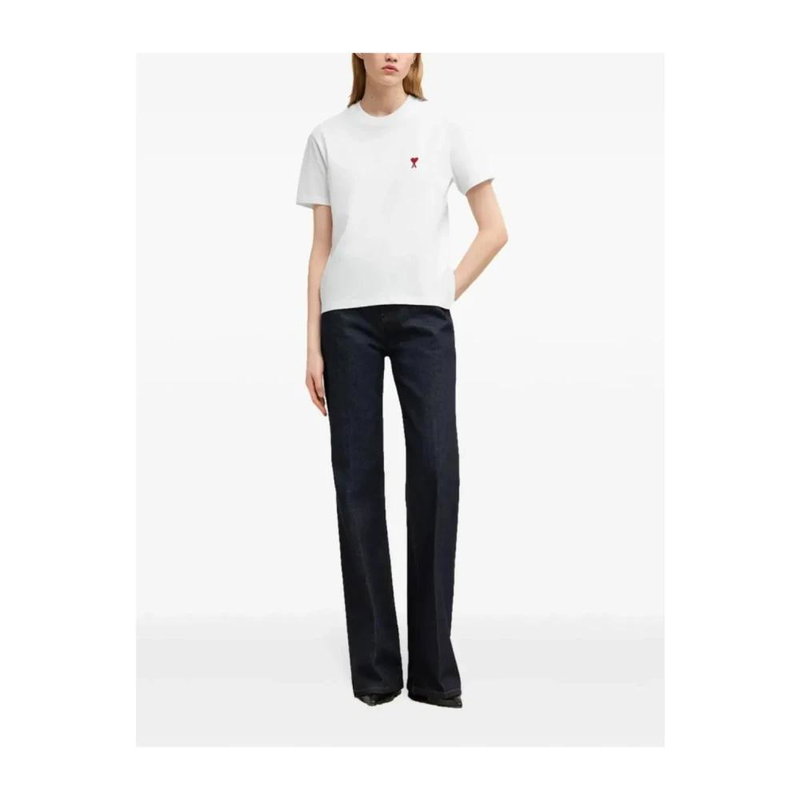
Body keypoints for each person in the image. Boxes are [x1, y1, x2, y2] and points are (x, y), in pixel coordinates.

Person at [296, 53, 508, 708]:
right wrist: (312, 343)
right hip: (346, 322)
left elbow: (495, 229)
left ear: (417, 54)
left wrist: (442, 291)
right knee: (357, 483)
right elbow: (322, 245)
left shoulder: (442, 129)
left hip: (424, 322)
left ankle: (434, 674)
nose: (392, 49)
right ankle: (376, 672)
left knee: (436, 474)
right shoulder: (327, 137)